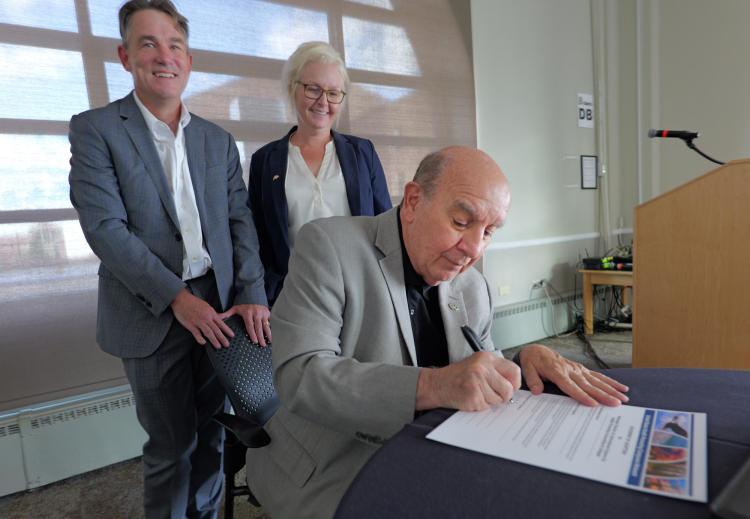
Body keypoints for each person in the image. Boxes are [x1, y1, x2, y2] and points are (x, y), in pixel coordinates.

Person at [246, 146, 630, 519]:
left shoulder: (471, 287)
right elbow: (301, 377)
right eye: (462, 222)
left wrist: (520, 360)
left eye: (490, 231)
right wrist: (433, 386)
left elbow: (474, 371)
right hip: (331, 461)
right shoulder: (329, 246)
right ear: (413, 201)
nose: (474, 248)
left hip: (427, 450)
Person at [68, 1, 270, 516]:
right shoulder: (96, 130)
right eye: (148, 43)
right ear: (125, 55)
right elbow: (105, 230)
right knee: (169, 448)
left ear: (189, 58)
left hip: (220, 308)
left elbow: (239, 222)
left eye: (174, 45)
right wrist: (177, 298)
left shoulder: (217, 140)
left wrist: (250, 292)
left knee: (213, 437)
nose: (164, 56)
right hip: (151, 311)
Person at [248, 41, 392, 306]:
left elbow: (386, 227)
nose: (323, 102)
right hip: (295, 296)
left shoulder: (362, 153)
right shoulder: (264, 161)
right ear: (293, 88)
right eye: (313, 89)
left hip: (361, 292)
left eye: (334, 92)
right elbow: (259, 240)